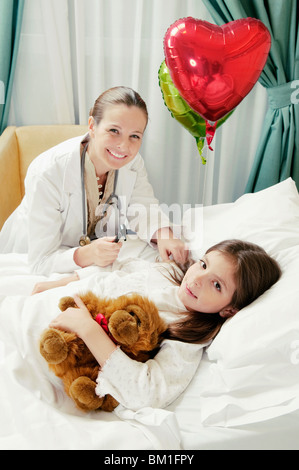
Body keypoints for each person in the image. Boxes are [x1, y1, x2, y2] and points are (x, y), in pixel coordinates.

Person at [42, 239, 281, 410]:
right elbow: (122, 268)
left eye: (216, 285)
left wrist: (88, 329)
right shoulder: (169, 272)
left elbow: (147, 392)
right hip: (61, 302)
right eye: (204, 264)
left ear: (229, 309)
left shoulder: (187, 339)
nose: (197, 279)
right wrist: (66, 281)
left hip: (65, 351)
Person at [0, 86, 187, 275]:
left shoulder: (133, 163)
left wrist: (164, 235)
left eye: (135, 136)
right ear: (92, 126)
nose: (124, 146)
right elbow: (41, 262)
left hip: (92, 262)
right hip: (29, 260)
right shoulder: (48, 173)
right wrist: (86, 254)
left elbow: (143, 207)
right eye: (114, 130)